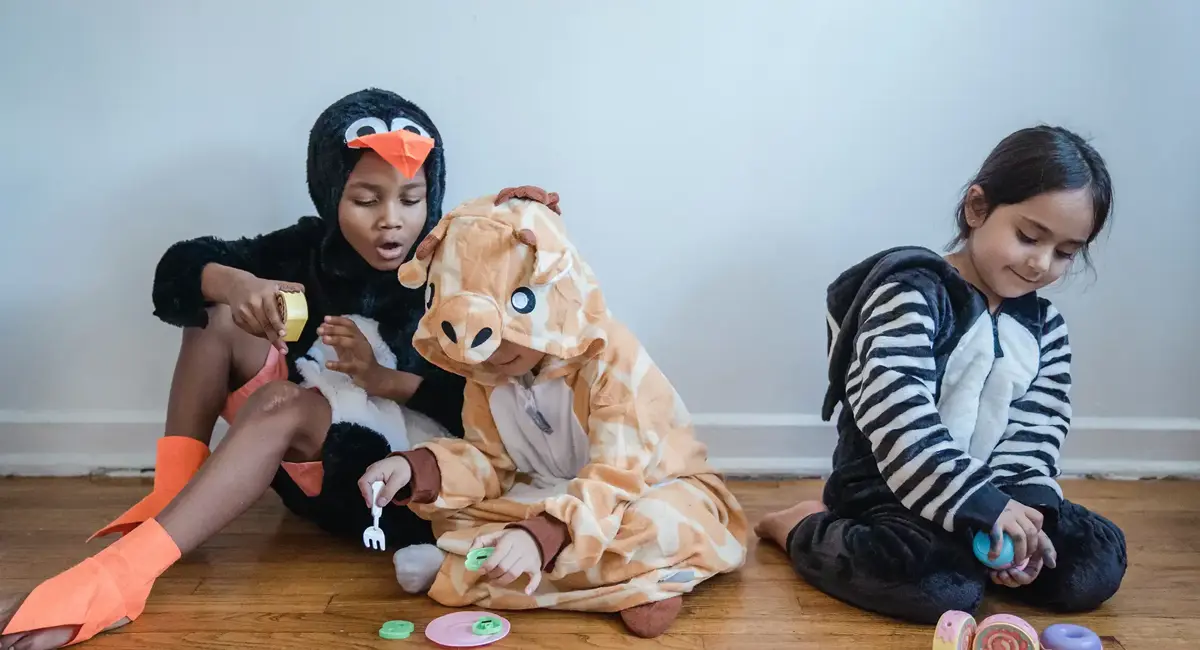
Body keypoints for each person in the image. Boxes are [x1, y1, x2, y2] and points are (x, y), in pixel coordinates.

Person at [0, 88, 465, 650]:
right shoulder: (308, 249)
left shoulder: (454, 264)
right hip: (311, 471)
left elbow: (481, 411)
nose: (391, 222)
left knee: (278, 401)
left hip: (395, 489)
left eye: (411, 199)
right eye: (366, 200)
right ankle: (171, 504)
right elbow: (178, 270)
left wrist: (382, 380)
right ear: (331, 193)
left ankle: (123, 576)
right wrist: (237, 284)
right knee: (215, 314)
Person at [754, 125, 1127, 624]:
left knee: (1096, 563)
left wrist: (1024, 518)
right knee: (940, 588)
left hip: (990, 494)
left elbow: (1037, 432)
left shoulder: (1046, 327)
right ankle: (804, 527)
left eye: (1064, 252)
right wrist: (982, 506)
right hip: (891, 488)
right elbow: (900, 421)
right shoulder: (911, 294)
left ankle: (978, 551)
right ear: (977, 208)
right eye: (1028, 237)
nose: (1041, 264)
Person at [359, 185, 748, 638]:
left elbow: (617, 476)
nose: (492, 354)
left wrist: (541, 535)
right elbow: (490, 462)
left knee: (664, 525)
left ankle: (463, 571)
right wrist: (415, 467)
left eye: (511, 322)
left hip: (638, 491)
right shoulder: (486, 374)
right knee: (455, 514)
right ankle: (615, 581)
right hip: (550, 493)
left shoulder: (612, 358)